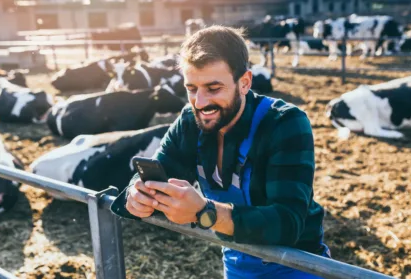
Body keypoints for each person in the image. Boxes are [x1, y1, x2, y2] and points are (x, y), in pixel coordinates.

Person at [111, 25, 330, 279]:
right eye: (192, 89)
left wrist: (206, 212)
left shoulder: (285, 123)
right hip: (237, 262)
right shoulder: (190, 121)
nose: (200, 103)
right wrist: (137, 194)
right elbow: (160, 168)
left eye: (213, 88)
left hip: (297, 265)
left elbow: (287, 222)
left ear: (245, 82)